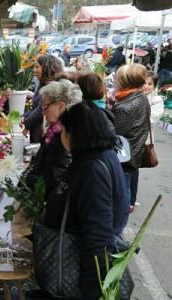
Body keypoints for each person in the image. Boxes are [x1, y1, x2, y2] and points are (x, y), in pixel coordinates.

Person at [50, 102, 128, 299]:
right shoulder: (100, 156)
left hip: (77, 269)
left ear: (74, 134)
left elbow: (98, 237)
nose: (61, 136)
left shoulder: (92, 169)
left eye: (64, 130)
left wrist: (92, 292)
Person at [22, 79, 82, 212]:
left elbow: (55, 179)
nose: (43, 112)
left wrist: (28, 183)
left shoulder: (66, 136)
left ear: (61, 106)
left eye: (45, 106)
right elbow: (39, 163)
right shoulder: (54, 131)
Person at [112, 64, 150, 218]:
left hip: (124, 157)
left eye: (118, 78)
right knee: (126, 190)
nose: (115, 81)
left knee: (122, 193)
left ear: (125, 82)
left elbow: (115, 134)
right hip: (133, 153)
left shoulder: (125, 106)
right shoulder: (140, 98)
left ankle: (117, 230)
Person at [22, 55, 64, 143]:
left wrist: (26, 123)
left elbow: (39, 110)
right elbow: (36, 106)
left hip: (43, 133)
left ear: (46, 68)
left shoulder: (50, 87)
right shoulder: (42, 83)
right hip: (36, 131)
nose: (34, 70)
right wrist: (24, 117)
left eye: (37, 67)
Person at [142, 71, 164, 140]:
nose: (146, 86)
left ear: (154, 86)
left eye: (150, 84)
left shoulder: (157, 100)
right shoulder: (134, 95)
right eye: (144, 83)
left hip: (144, 138)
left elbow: (152, 118)